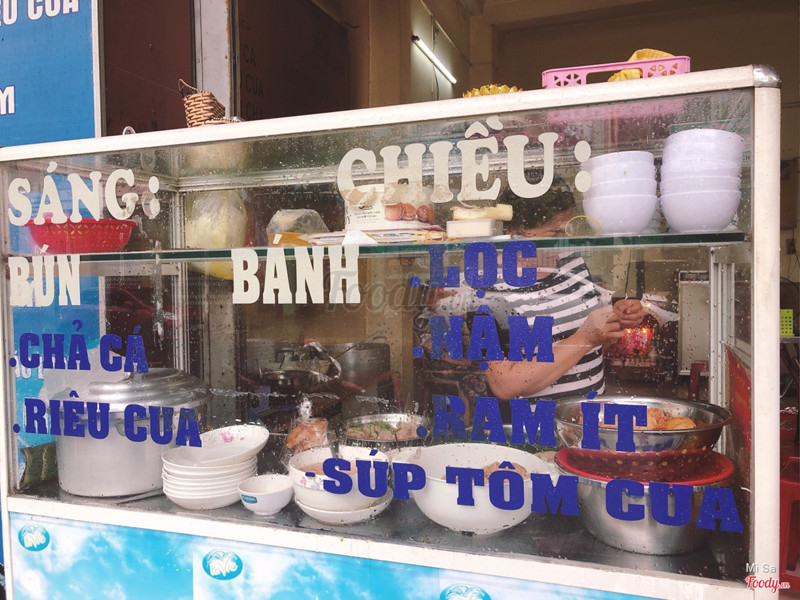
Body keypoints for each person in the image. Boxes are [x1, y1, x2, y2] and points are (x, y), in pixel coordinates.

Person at [416, 170, 645, 413]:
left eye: (567, 229)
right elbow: (504, 384)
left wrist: (616, 319)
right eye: (554, 232)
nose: (564, 240)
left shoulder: (572, 263)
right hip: (536, 427)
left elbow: (594, 343)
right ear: (516, 230)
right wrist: (585, 338)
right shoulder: (486, 287)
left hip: (589, 418)